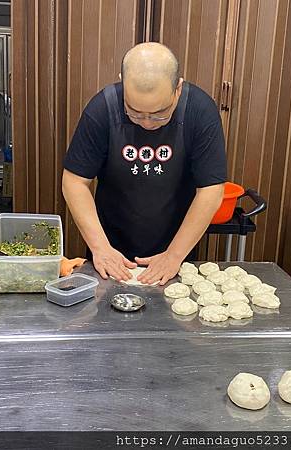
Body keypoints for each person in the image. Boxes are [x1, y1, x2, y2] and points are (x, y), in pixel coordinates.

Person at [62, 42, 226, 285]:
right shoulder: (102, 108)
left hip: (176, 248)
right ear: (122, 83)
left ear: (177, 89)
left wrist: (174, 255)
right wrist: (100, 247)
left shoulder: (200, 111)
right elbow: (74, 181)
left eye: (160, 113)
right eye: (135, 112)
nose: (147, 123)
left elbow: (211, 191)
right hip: (110, 250)